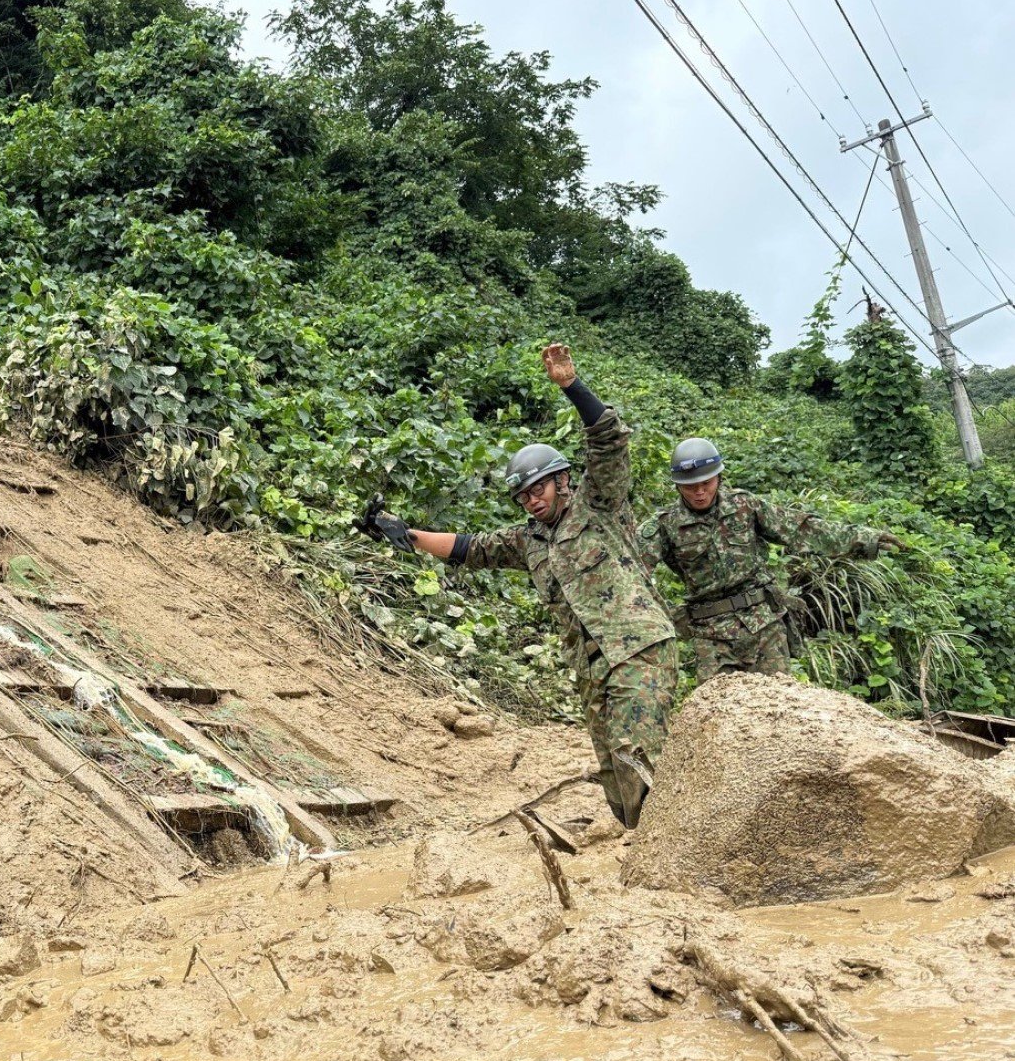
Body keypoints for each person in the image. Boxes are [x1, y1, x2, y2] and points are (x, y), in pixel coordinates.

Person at [361, 344, 677, 828]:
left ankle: (668, 850)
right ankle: (637, 847)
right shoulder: (527, 540)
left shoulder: (599, 506)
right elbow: (471, 548)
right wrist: (406, 533)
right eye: (523, 496)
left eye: (538, 489)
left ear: (561, 481)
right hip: (591, 666)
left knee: (637, 752)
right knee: (614, 769)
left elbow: (609, 442)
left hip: (638, 648)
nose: (531, 501)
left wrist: (571, 386)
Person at [640, 438, 904, 678]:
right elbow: (630, 565)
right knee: (721, 711)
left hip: (763, 624)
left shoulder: (745, 506)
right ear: (677, 486)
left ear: (719, 478)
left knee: (776, 707)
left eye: (705, 484)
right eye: (690, 487)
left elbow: (800, 529)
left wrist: (866, 538)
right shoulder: (665, 526)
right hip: (711, 636)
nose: (699, 492)